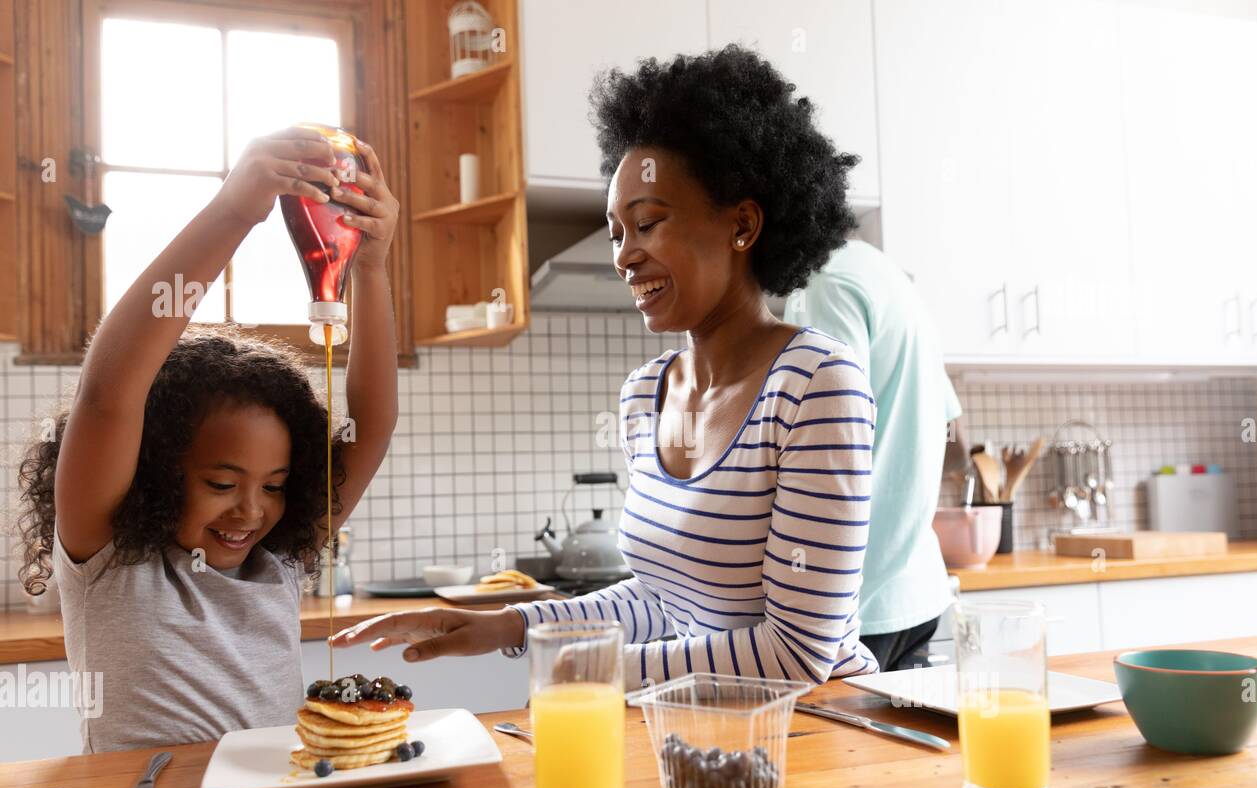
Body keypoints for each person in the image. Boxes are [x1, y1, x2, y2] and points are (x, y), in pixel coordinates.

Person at [334, 46, 880, 688]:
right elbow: (658, 601)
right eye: (616, 232)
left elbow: (798, 652)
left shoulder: (816, 386)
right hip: (702, 729)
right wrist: (509, 626)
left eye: (647, 223)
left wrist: (597, 668)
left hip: (824, 737)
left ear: (744, 224)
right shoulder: (646, 394)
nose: (624, 257)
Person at [16, 127, 400, 751]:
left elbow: (373, 423)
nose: (251, 509)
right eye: (221, 483)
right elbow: (109, 394)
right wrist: (232, 212)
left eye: (274, 486)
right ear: (156, 469)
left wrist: (373, 266)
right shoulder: (110, 561)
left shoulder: (275, 561)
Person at [792, 238, 963, 669]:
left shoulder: (826, 284)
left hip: (859, 602)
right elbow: (950, 420)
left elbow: (831, 444)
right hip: (918, 587)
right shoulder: (886, 275)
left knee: (828, 739)